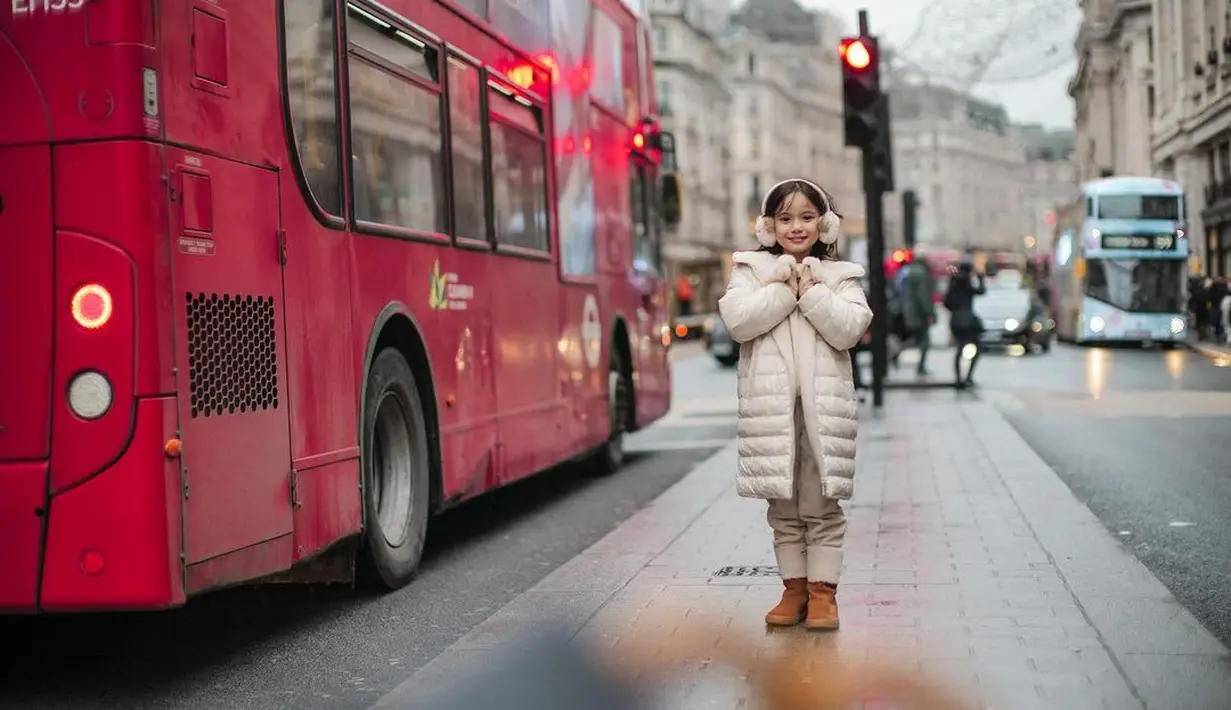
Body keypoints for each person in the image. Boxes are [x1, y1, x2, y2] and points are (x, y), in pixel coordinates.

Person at [717, 178, 873, 631]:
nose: (796, 227)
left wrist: (813, 292)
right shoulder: (748, 270)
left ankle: (824, 594)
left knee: (822, 503)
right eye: (785, 218)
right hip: (773, 413)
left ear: (824, 223)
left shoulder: (842, 276)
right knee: (783, 507)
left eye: (806, 217)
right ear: (769, 226)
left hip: (824, 412)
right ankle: (794, 589)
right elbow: (739, 322)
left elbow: (849, 330)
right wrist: (785, 289)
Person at [943, 259, 986, 388]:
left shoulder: (953, 282)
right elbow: (981, 291)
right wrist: (981, 279)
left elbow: (946, 303)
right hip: (968, 321)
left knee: (959, 349)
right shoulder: (966, 281)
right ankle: (968, 377)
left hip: (956, 321)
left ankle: (958, 378)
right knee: (977, 348)